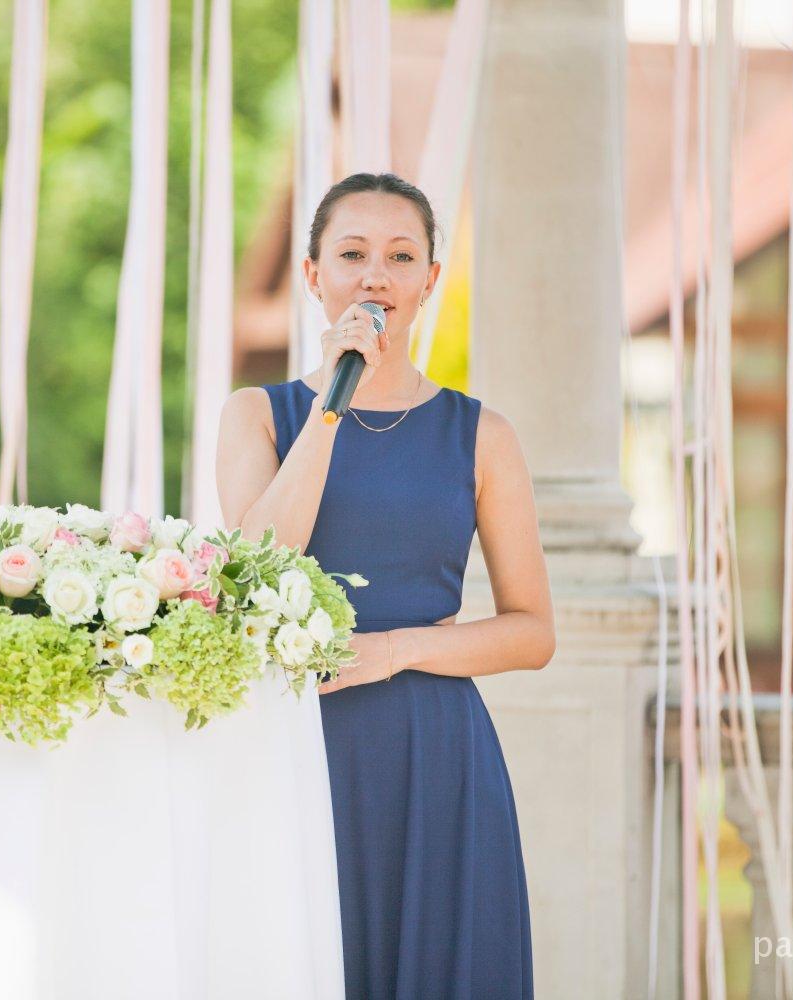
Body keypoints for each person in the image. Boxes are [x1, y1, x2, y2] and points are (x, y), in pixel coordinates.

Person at [215, 172, 553, 999]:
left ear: (430, 280)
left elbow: (533, 632)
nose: (376, 275)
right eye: (352, 254)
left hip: (434, 754)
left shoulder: (483, 434)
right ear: (312, 275)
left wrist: (393, 651)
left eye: (401, 257)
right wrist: (331, 407)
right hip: (295, 742)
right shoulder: (257, 415)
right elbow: (258, 566)